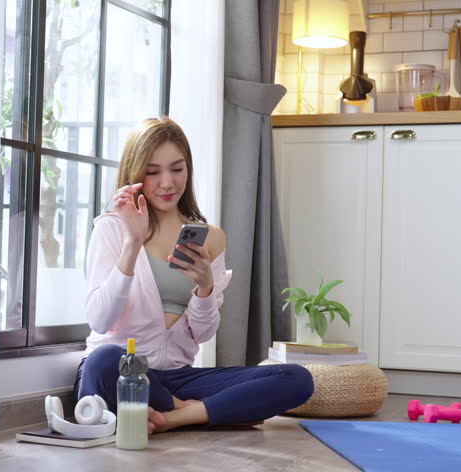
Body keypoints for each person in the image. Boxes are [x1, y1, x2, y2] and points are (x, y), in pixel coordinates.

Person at [73, 116, 314, 434]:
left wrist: (204, 287)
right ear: (136, 174)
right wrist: (133, 242)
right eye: (153, 171)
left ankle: (170, 417)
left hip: (178, 377)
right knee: (104, 359)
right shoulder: (112, 228)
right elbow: (100, 321)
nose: (167, 183)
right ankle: (191, 410)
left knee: (297, 378)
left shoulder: (209, 237)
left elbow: (202, 333)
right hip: (121, 370)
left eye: (177, 168)